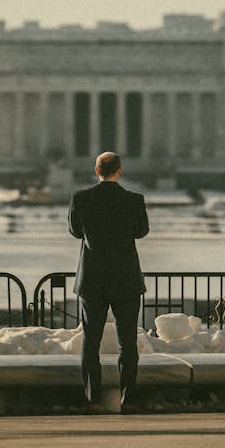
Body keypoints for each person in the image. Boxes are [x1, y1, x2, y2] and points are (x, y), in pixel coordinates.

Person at [68, 151, 149, 412]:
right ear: (119, 170)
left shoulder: (81, 199)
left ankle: (93, 399)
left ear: (96, 170)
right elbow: (141, 231)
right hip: (125, 279)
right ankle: (129, 398)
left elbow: (75, 231)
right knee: (128, 343)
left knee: (91, 341)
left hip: (92, 279)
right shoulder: (134, 200)